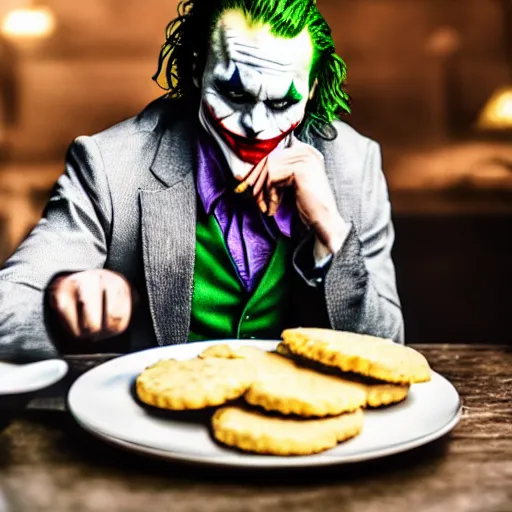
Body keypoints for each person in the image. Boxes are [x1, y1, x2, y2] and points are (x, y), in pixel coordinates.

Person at [0, 0, 403, 362]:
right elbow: (8, 310)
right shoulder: (109, 163)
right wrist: (60, 300)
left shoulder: (355, 164)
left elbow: (389, 351)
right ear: (196, 70)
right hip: (158, 432)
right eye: (234, 95)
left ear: (312, 90)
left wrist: (331, 234)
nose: (255, 127)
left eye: (282, 103)